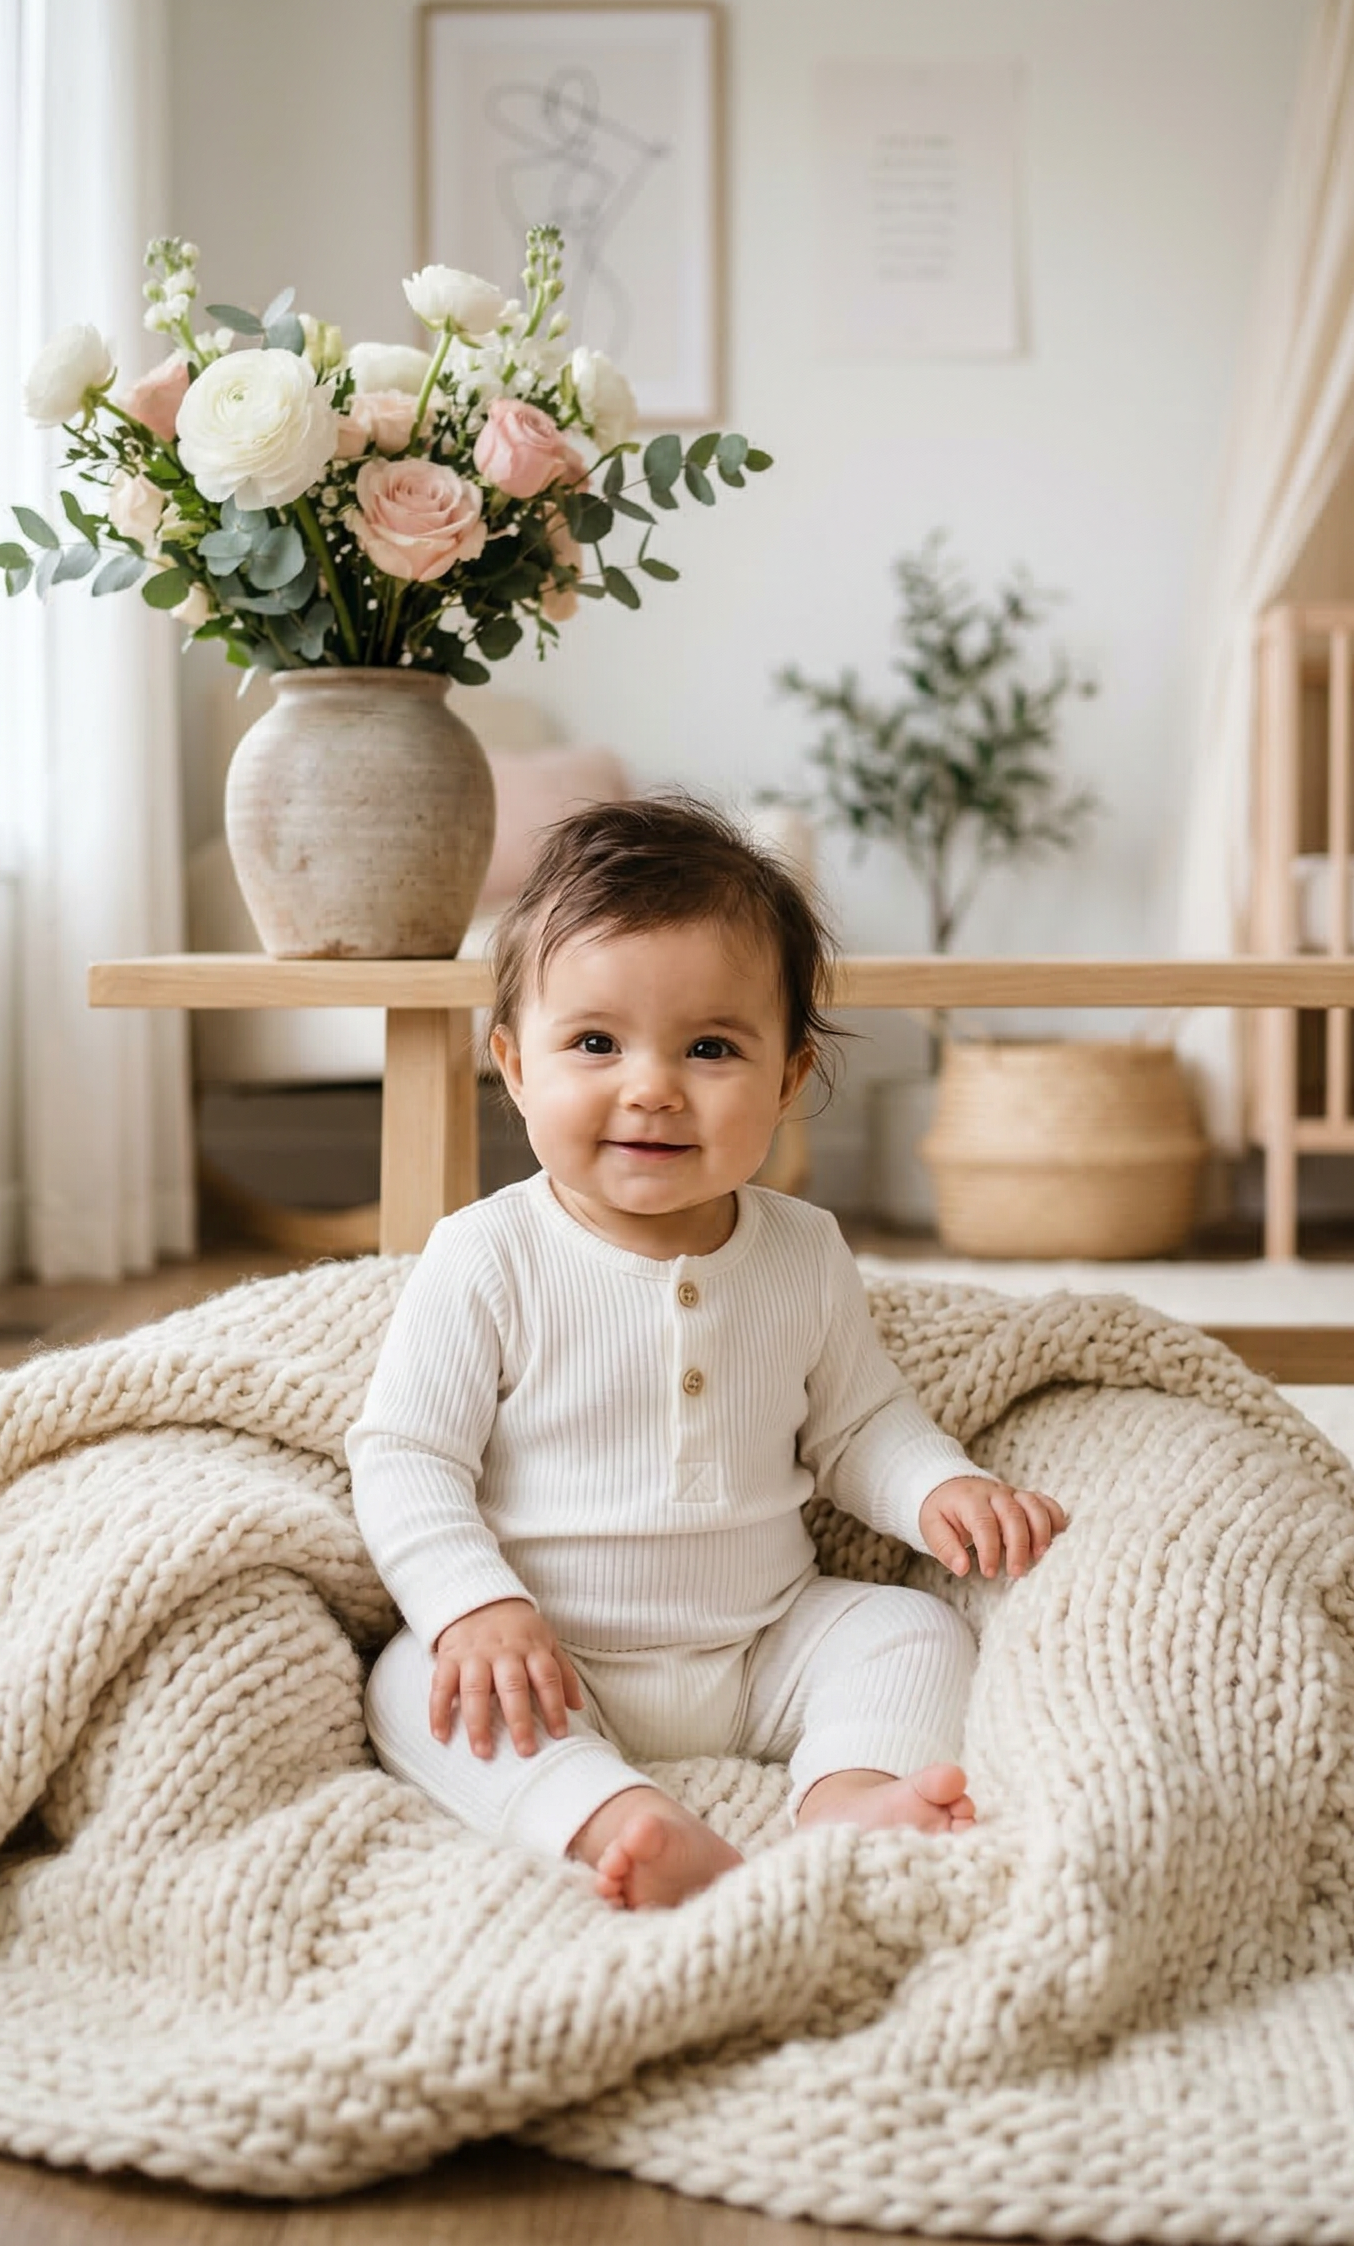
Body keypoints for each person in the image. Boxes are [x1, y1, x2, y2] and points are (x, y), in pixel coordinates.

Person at [349, 797, 1066, 1910]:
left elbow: (860, 1423)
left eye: (711, 1047)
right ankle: (610, 1815)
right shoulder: (488, 1254)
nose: (652, 1086)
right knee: (412, 1685)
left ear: (787, 1080)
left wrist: (938, 1488)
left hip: (762, 1646)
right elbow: (404, 1454)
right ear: (513, 1066)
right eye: (594, 1042)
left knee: (909, 1627)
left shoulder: (801, 1249)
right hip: (554, 1660)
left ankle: (847, 1794)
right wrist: (471, 1606)